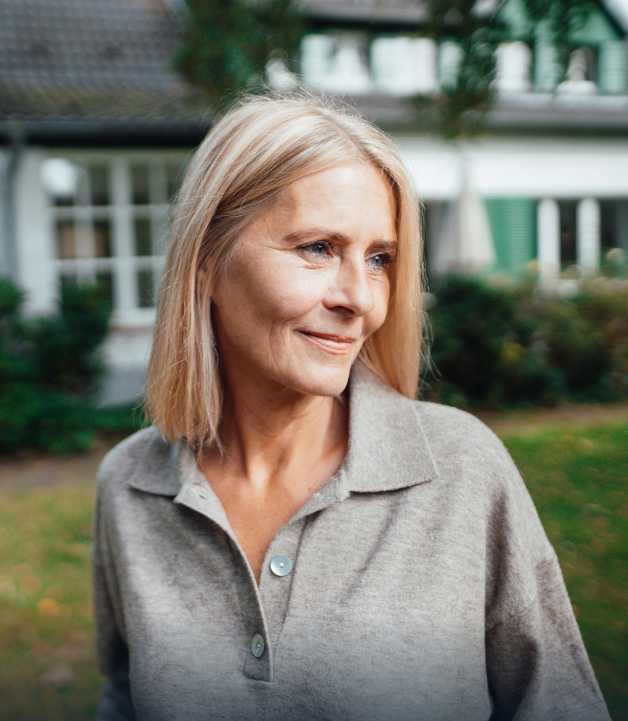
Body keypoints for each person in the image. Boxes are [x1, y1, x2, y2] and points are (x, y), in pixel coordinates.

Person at [91, 90, 612, 721]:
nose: (360, 299)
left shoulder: (461, 470)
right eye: (317, 248)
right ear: (206, 262)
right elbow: (125, 700)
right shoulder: (130, 487)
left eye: (380, 260)